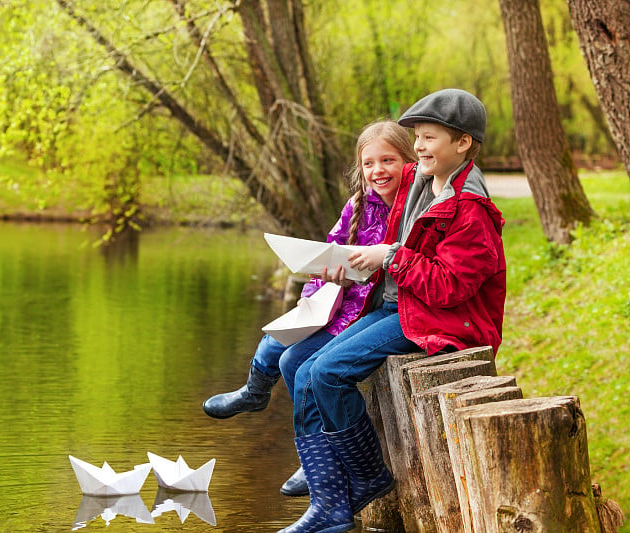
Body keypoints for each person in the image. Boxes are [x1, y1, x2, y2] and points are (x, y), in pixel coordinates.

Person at [278, 89, 507, 533]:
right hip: (401, 305)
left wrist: (390, 257)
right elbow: (379, 213)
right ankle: (329, 493)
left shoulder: (471, 210)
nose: (418, 147)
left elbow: (450, 287)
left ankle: (363, 480)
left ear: (462, 144)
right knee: (302, 364)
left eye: (429, 137)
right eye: (417, 137)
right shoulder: (423, 182)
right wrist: (347, 265)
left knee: (327, 374)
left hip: (443, 320)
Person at [201, 120, 417, 497]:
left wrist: (359, 276)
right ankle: (260, 397)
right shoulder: (359, 205)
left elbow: (396, 273)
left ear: (407, 161)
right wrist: (319, 285)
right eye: (368, 163)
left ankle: (321, 458)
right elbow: (329, 251)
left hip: (366, 309)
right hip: (338, 301)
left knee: (293, 362)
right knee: (277, 345)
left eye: (388, 160)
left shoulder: (410, 209)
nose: (377, 170)